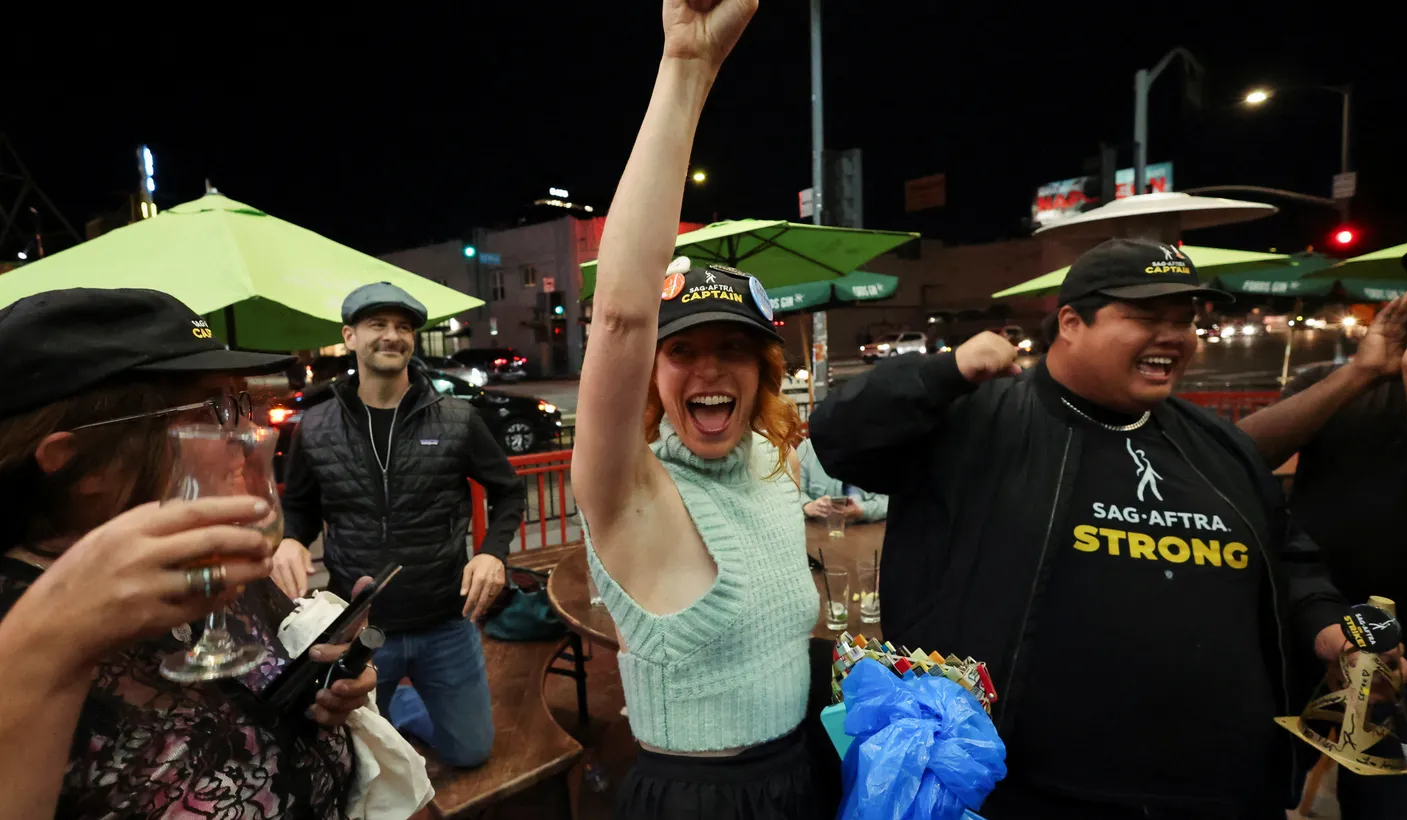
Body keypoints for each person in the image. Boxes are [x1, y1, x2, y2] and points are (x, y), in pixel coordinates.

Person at [811, 238, 1362, 819]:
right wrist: (943, 372)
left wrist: (1328, 627)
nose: (1173, 336)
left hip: (1220, 788)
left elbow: (1287, 561)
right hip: (1028, 789)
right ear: (1071, 322)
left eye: (1185, 321)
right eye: (1147, 317)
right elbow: (842, 438)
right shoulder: (979, 420)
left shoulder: (1219, 447)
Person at [570, 0, 824, 816]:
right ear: (653, 372)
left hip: (804, 772)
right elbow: (619, 314)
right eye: (682, 350)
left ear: (763, 372)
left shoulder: (771, 469)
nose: (709, 368)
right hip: (701, 801)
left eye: (735, 349)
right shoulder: (628, 495)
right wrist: (686, 69)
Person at [0, 287, 375, 819]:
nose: (247, 432)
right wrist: (49, 642)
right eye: (215, 408)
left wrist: (327, 690)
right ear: (77, 461)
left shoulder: (202, 560)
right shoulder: (15, 629)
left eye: (243, 403)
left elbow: (266, 691)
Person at [1239, 242, 1407, 820]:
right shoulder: (1343, 381)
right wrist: (1363, 371)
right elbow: (1229, 463)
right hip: (1302, 649)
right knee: (1254, 797)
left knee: (1399, 808)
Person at [273, 281, 525, 768]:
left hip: (445, 622)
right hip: (357, 626)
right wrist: (289, 539)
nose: (392, 335)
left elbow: (509, 489)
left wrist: (493, 552)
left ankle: (402, 708)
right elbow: (301, 505)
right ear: (349, 337)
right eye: (378, 325)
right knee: (350, 759)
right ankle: (397, 707)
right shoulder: (316, 425)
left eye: (403, 327)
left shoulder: (456, 418)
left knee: (472, 752)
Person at [797, 438, 887, 523]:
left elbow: (888, 503)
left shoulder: (878, 450)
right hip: (822, 528)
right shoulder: (807, 449)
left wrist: (862, 511)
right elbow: (796, 493)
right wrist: (807, 505)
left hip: (870, 530)